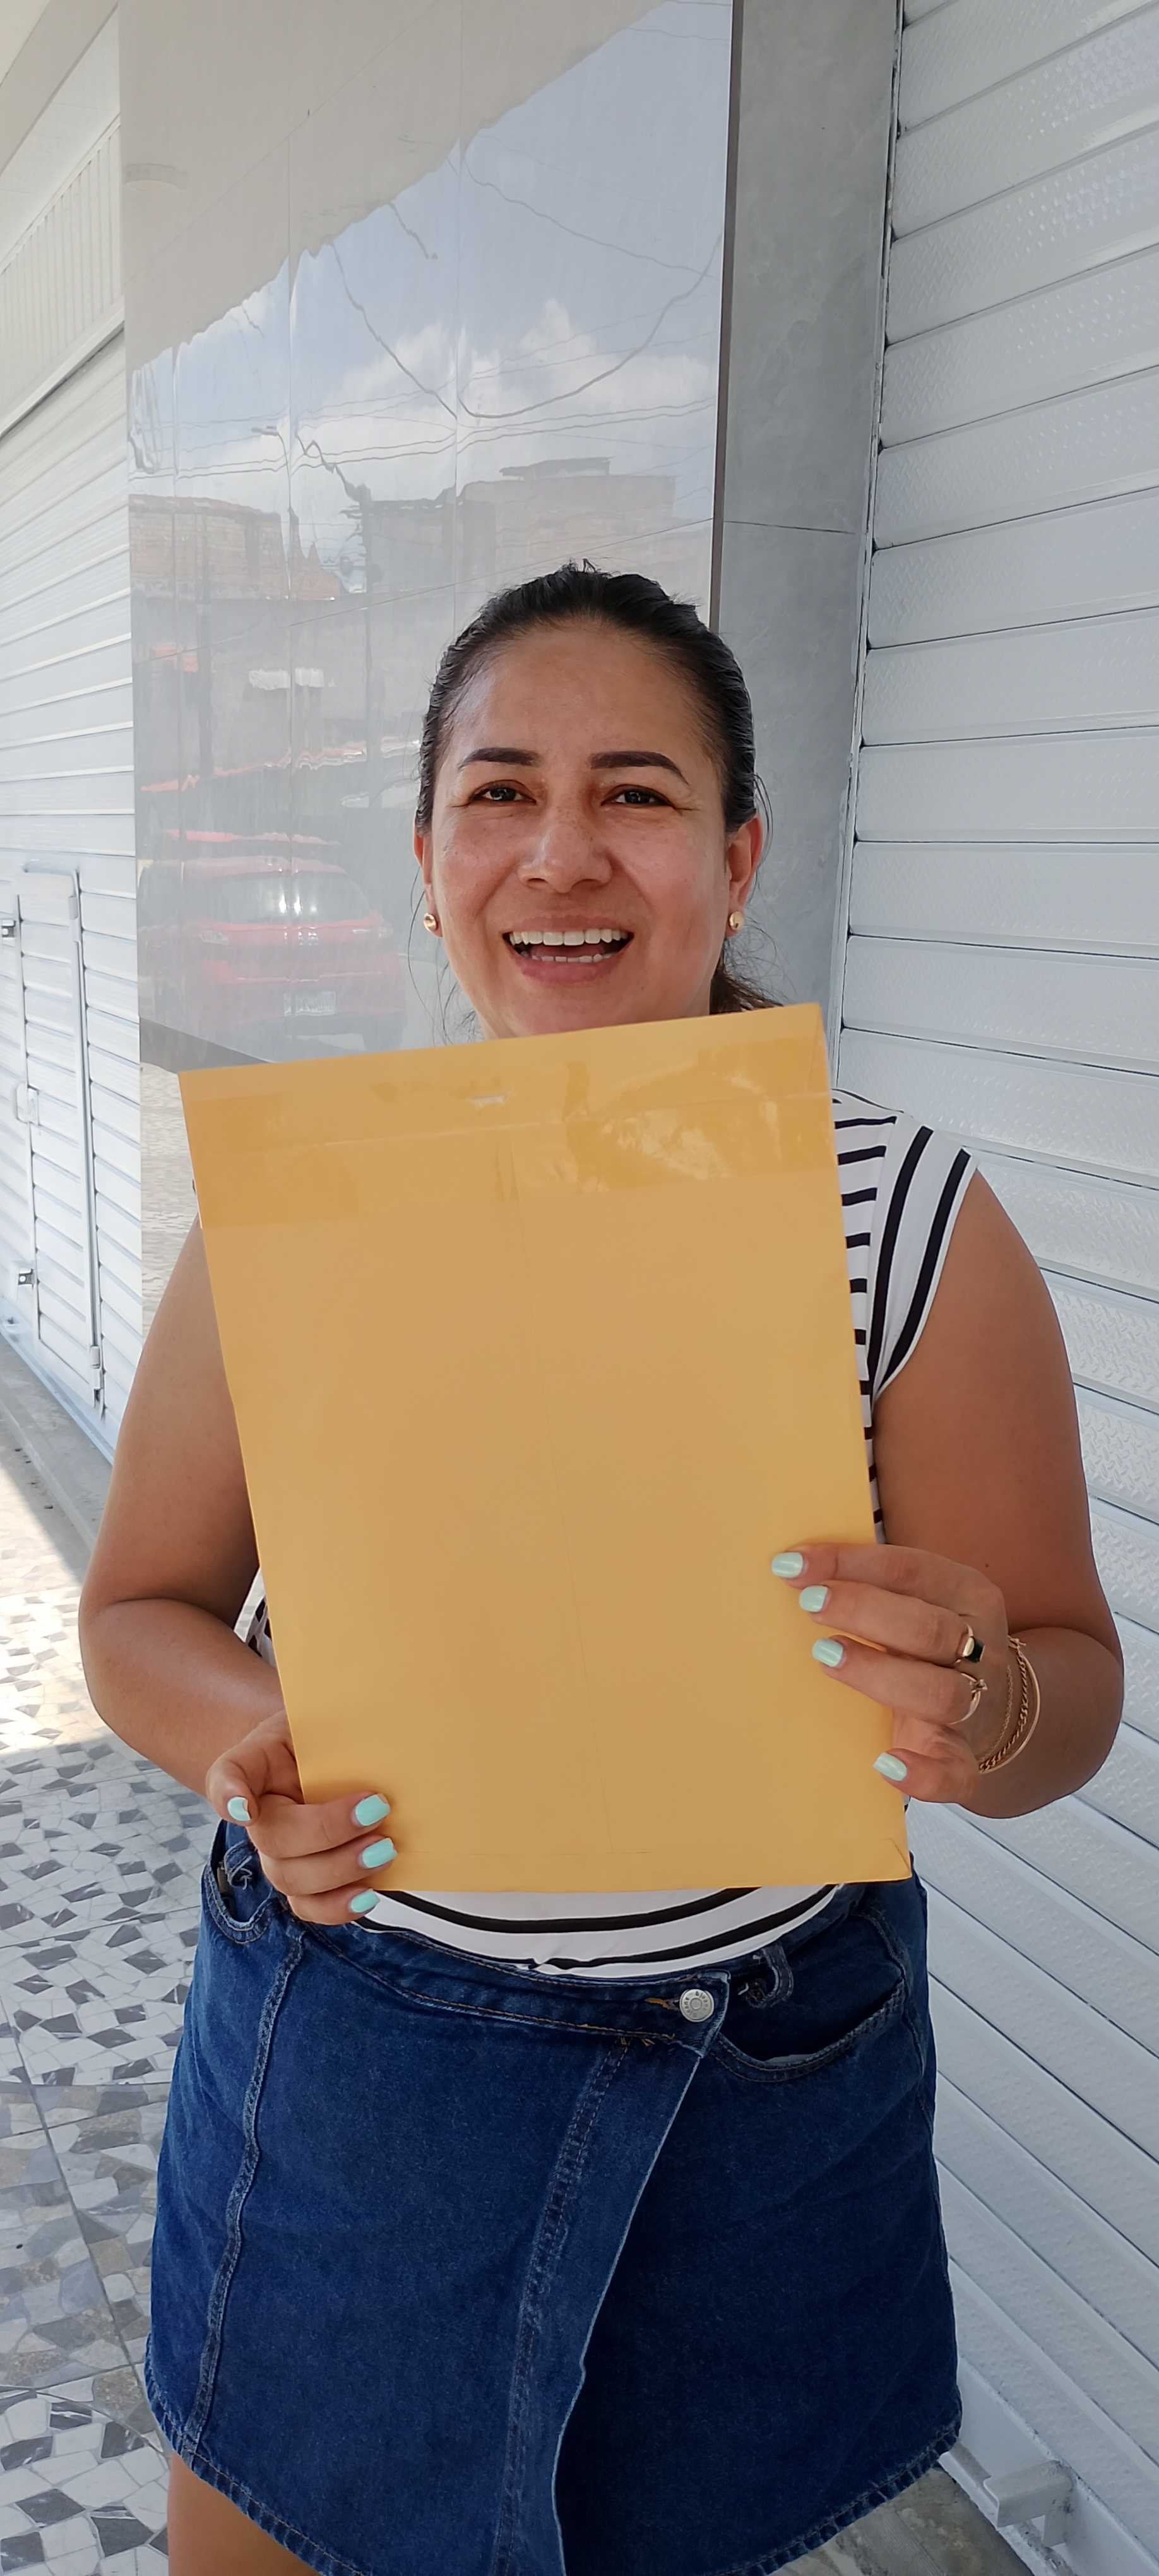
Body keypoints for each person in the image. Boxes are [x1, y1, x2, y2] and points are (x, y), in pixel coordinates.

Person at [78, 566, 1123, 2576]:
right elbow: (138, 1615)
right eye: (501, 793)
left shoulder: (900, 1210)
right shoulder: (298, 1209)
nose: (562, 853)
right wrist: (254, 1737)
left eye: (635, 793)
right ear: (428, 858)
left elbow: (1063, 1686)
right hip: (363, 2035)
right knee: (273, 2535)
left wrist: (985, 1699)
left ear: (734, 859)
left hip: (760, 2060)